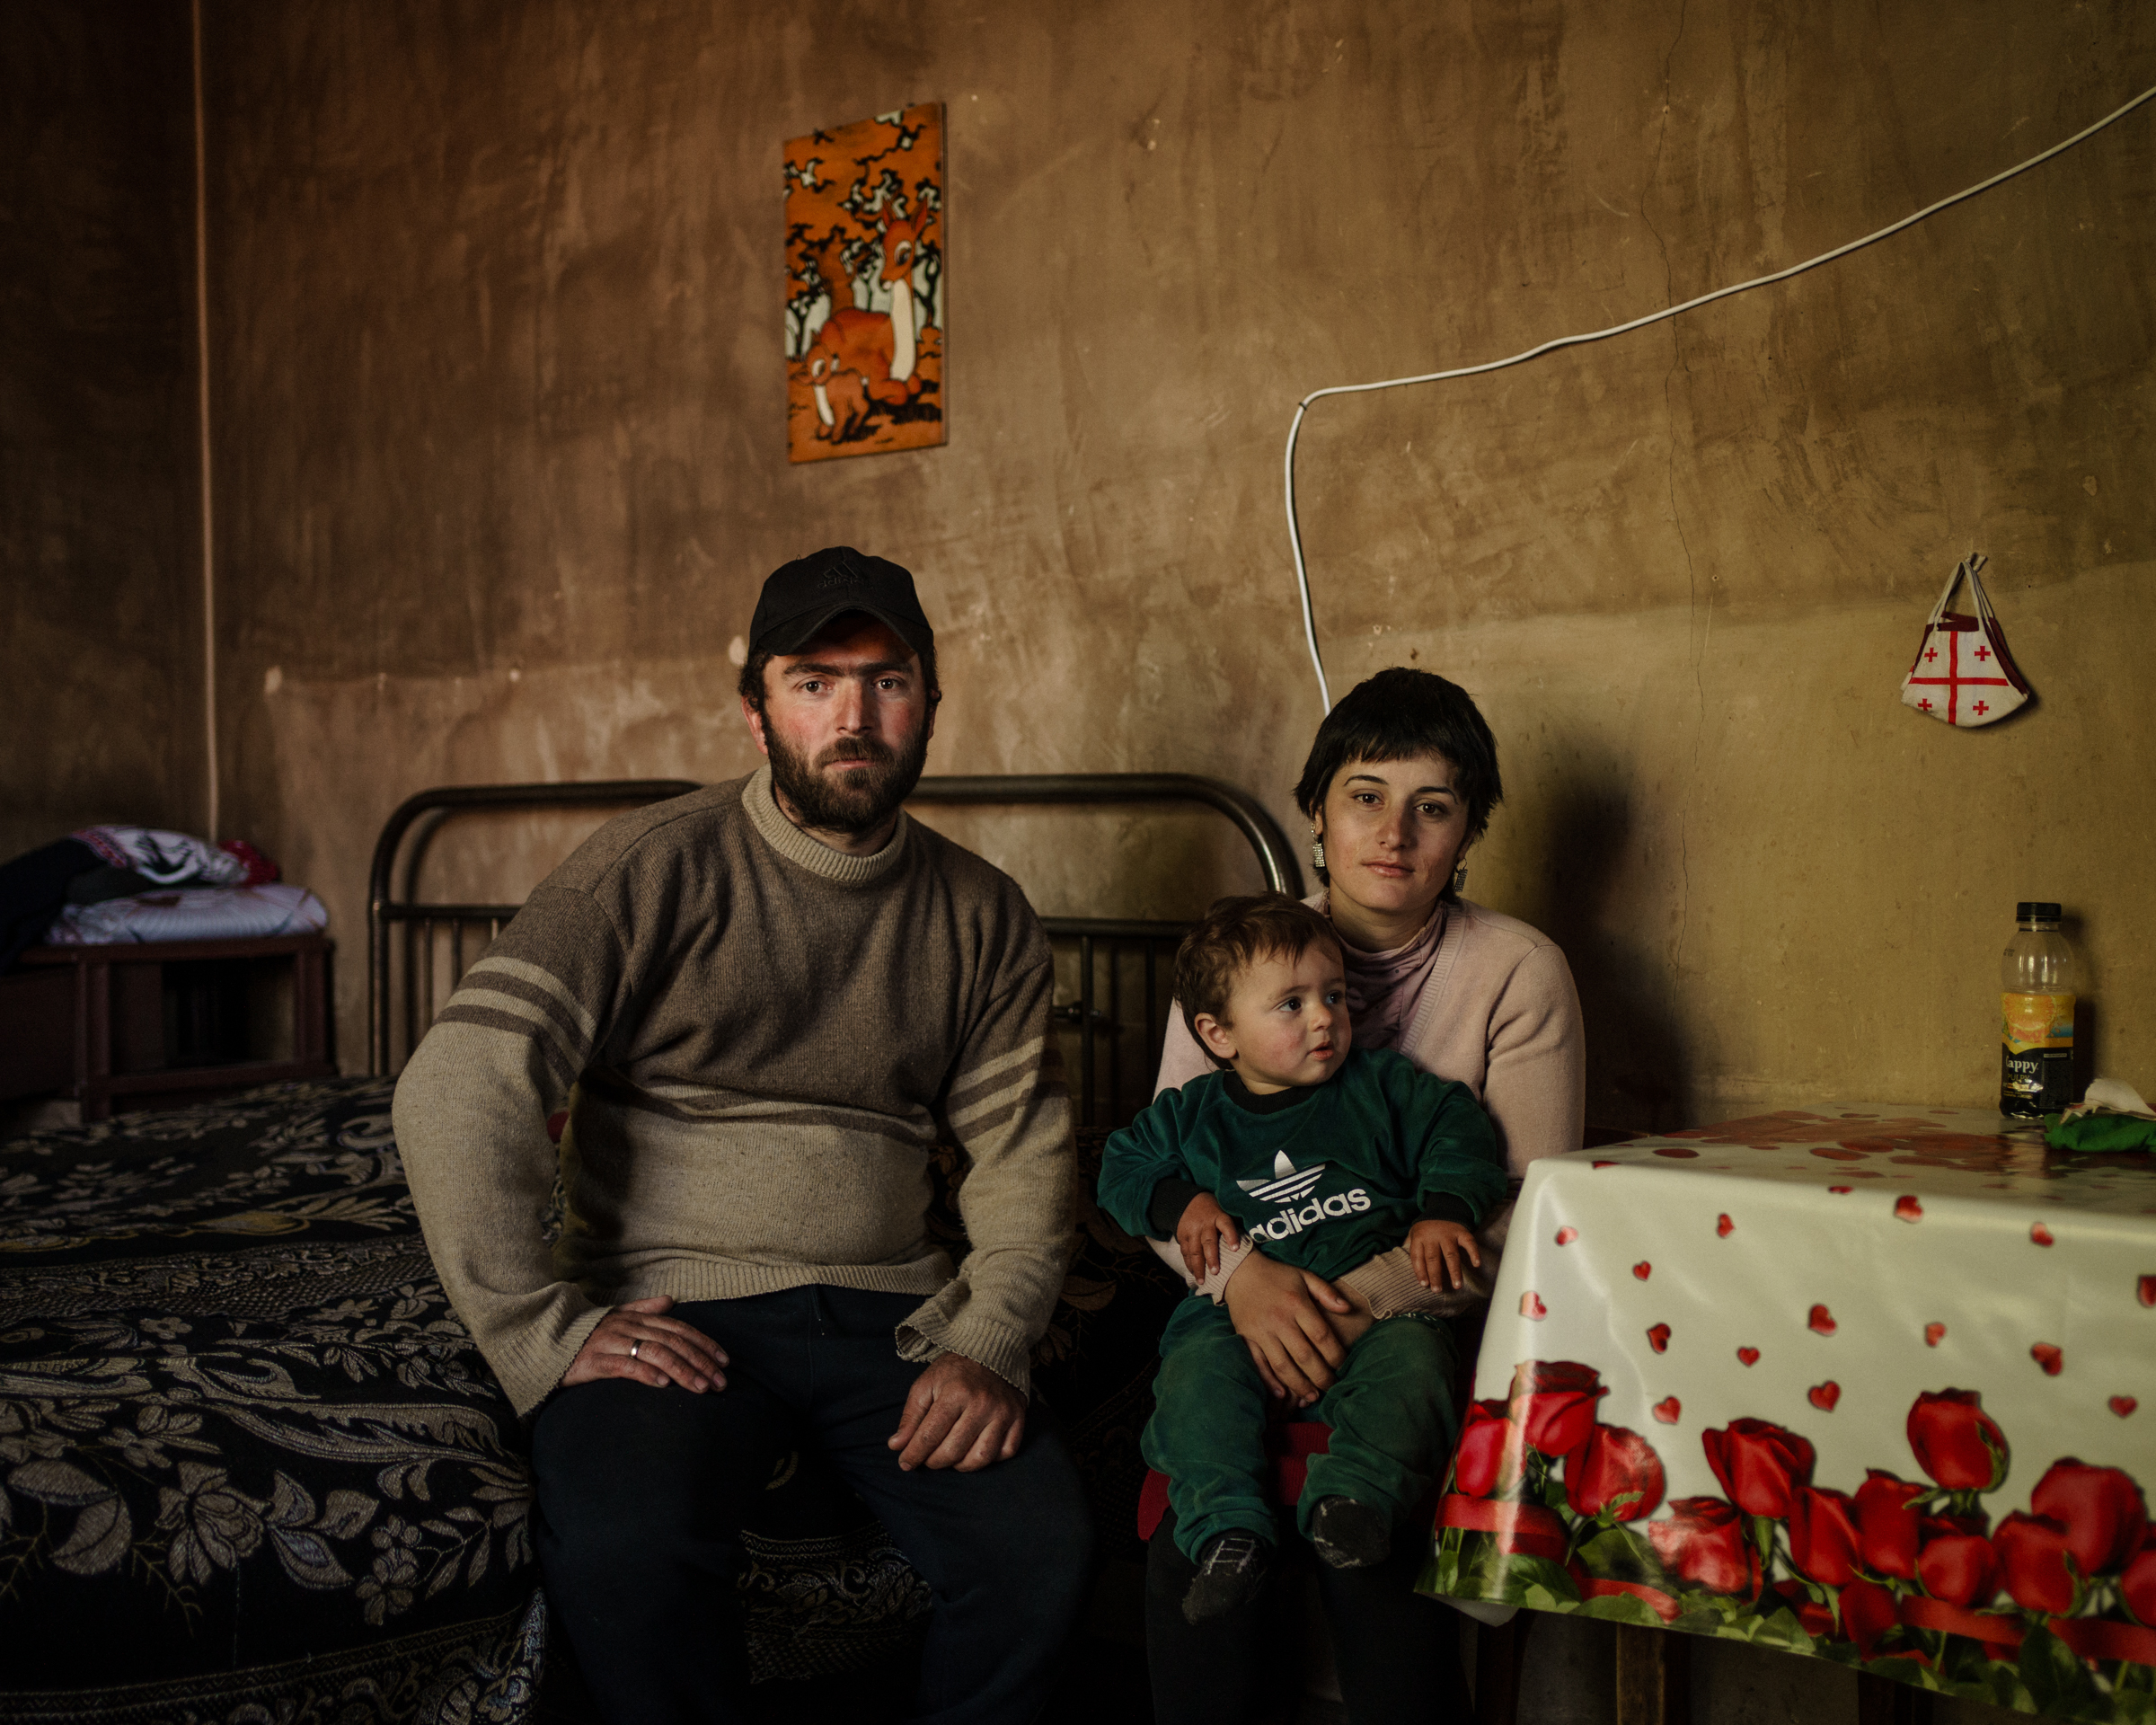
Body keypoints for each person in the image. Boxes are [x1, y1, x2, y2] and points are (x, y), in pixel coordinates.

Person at [392, 546, 1092, 1725]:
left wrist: (992, 1337)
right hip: (672, 1311)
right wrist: (539, 1329)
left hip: (896, 1319)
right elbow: (455, 1083)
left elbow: (1026, 1150)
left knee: (1043, 1556)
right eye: (814, 682)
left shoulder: (983, 915)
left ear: (929, 702)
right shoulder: (648, 868)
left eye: (888, 681)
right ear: (756, 712)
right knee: (625, 1550)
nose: (854, 716)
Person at [1141, 667, 1586, 1724]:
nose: (1395, 833)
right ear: (1317, 815)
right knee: (1198, 1519)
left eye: (1433, 807)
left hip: (1419, 1326)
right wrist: (1245, 1287)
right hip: (1243, 1317)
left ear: (1469, 832)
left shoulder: (1518, 970)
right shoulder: (1234, 961)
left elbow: (1520, 1207)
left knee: (1375, 1550)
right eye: (1365, 796)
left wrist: (1339, 1307)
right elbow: (1171, 1170)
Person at [1098, 894, 1506, 1627]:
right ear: (1218, 1034)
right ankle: (1228, 1529)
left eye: (1334, 996)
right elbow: (1120, 1166)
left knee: (1417, 1368)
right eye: (1290, 1004)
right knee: (1191, 1381)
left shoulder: (1383, 1088)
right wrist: (1182, 1204)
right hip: (1237, 1327)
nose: (1324, 1017)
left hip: (1374, 1318)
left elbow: (1460, 1129)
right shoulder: (1193, 1113)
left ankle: (1354, 1505)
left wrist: (1445, 1207)